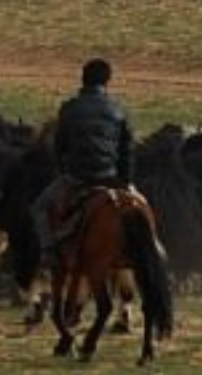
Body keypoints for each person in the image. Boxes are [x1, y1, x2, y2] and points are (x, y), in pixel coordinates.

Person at [32, 57, 135, 271]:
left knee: (39, 207)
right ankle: (153, 248)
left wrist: (63, 172)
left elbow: (60, 146)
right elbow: (127, 150)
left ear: (83, 79)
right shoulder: (119, 109)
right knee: (142, 207)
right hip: (111, 176)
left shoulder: (69, 109)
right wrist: (126, 181)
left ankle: (48, 251)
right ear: (107, 81)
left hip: (77, 177)